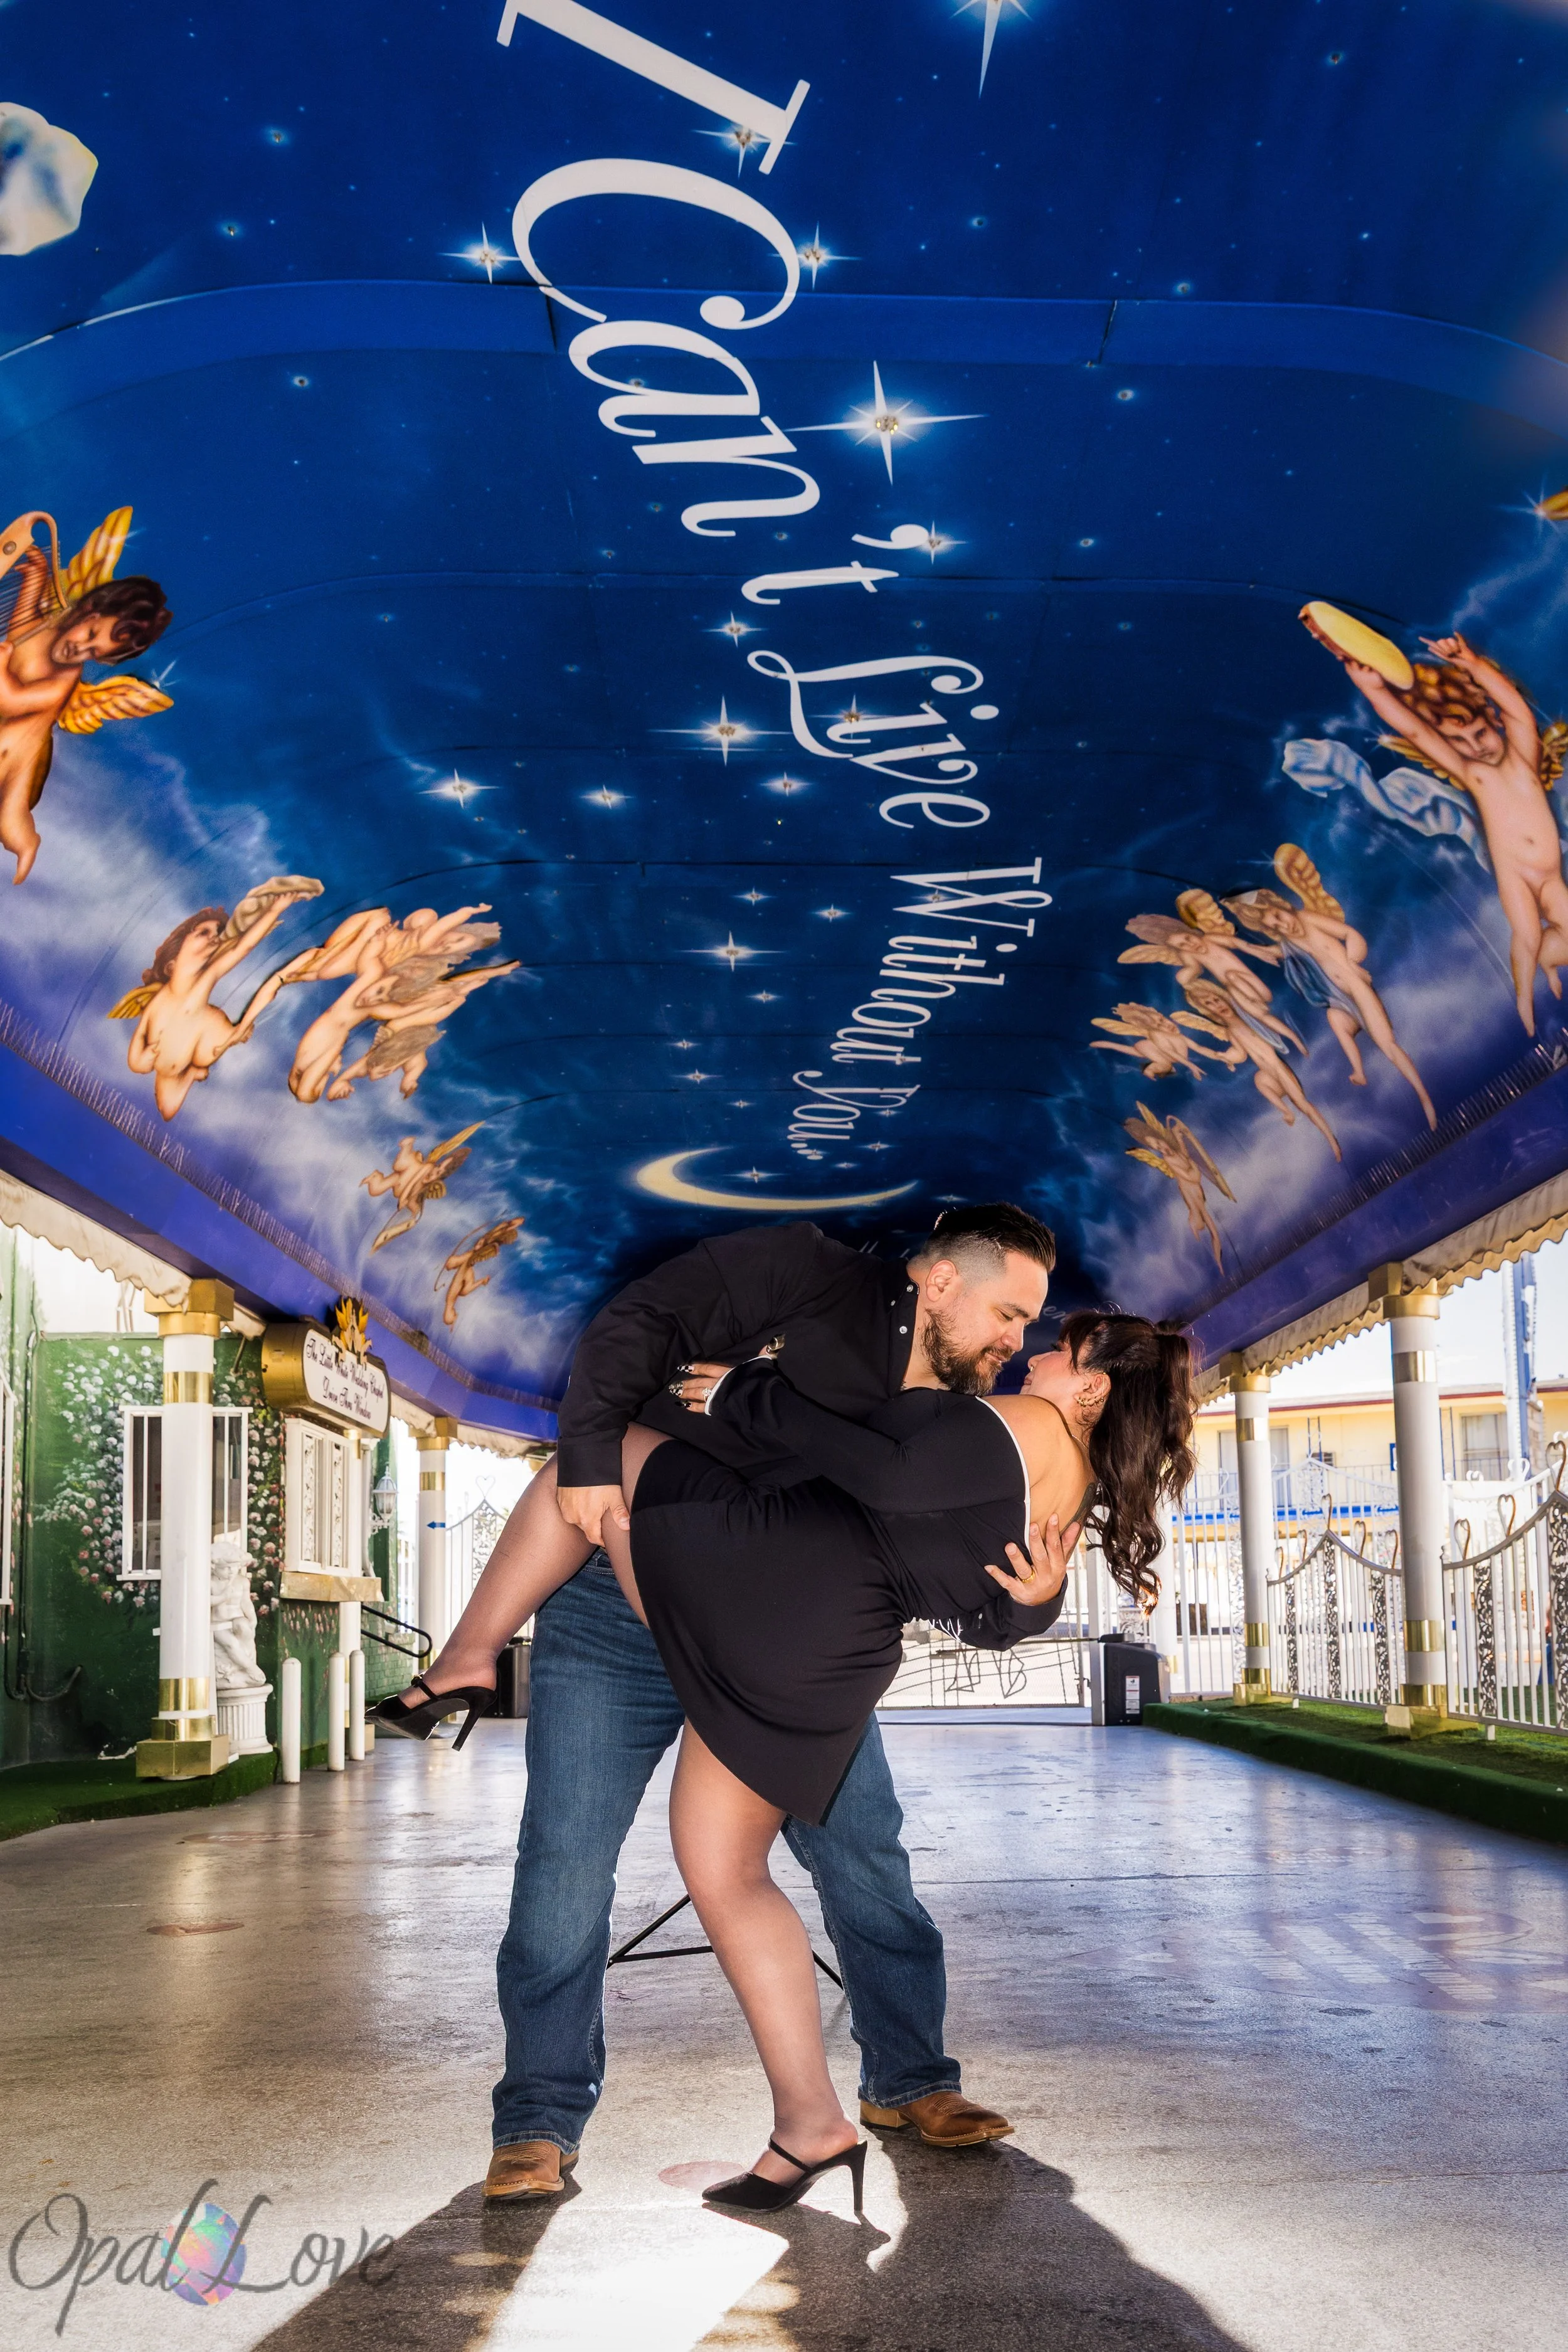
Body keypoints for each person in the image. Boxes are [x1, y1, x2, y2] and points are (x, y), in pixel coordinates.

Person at [375, 1205, 1059, 2199]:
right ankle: (536, 2119)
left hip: (788, 1636)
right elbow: (637, 1322)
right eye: (1010, 1312)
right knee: (564, 1864)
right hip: (621, 1599)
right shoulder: (808, 1271)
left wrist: (1030, 1611)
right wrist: (596, 1462)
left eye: (1033, 1328)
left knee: (866, 1850)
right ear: (943, 1281)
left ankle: (912, 2078)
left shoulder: (965, 1415)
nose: (1018, 1339)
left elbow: (965, 1574)